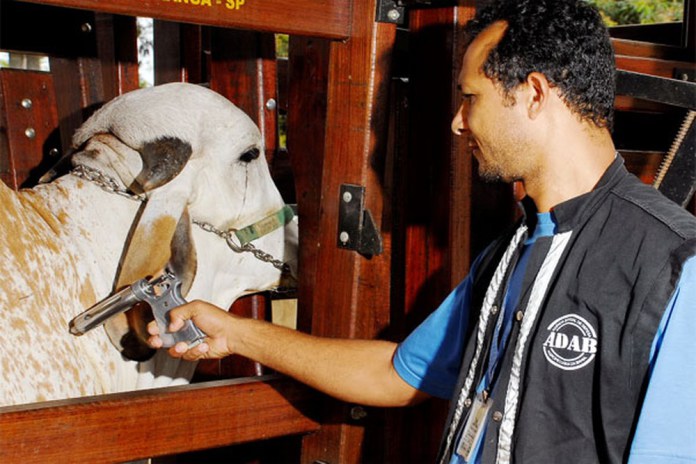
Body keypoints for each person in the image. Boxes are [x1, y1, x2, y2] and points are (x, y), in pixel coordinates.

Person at [148, 0, 696, 462]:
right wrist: (233, 333)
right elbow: (397, 373)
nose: (459, 121)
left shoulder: (675, 266)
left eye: (471, 96)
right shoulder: (511, 253)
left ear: (533, 93)